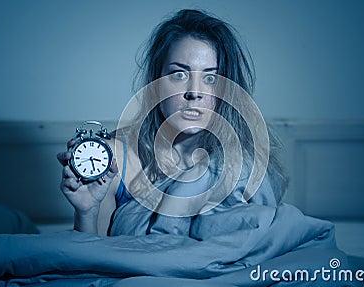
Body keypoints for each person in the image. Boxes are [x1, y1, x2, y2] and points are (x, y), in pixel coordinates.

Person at [57, 9, 287, 236]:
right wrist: (87, 211)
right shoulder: (115, 156)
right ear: (156, 81)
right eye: (179, 74)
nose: (194, 92)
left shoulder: (245, 165)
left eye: (210, 78)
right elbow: (91, 259)